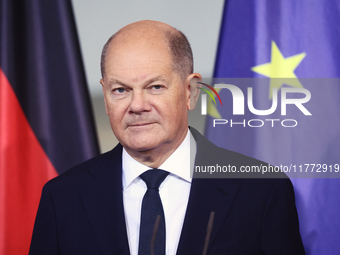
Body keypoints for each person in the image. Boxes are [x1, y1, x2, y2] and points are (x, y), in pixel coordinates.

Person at [30, 20, 305, 254]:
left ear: (191, 91)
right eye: (120, 90)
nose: (137, 105)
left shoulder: (261, 190)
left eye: (155, 86)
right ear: (105, 95)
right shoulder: (62, 198)